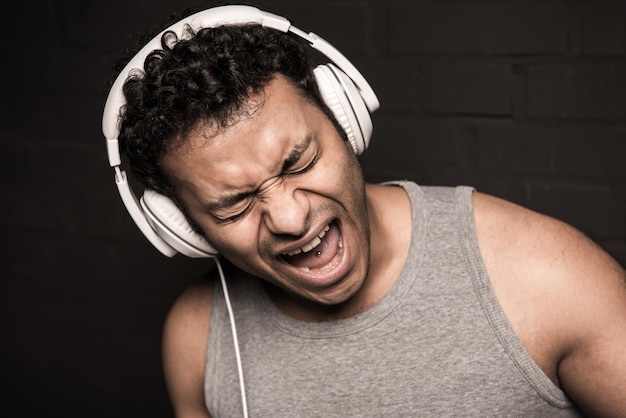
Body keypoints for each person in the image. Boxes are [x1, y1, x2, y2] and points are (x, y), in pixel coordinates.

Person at [103, 5, 626, 417]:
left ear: (346, 120)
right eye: (235, 204)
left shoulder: (549, 277)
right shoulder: (200, 335)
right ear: (186, 230)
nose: (289, 218)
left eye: (297, 161)